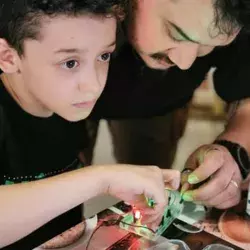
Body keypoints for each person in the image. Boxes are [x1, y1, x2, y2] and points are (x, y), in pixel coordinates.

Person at [0, 1, 181, 249]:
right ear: (7, 57)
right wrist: (101, 179)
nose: (94, 85)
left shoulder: (63, 104)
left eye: (103, 56)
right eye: (70, 63)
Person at [86, 0, 250, 210]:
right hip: (53, 105)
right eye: (176, 33)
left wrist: (233, 150)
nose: (184, 63)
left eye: (210, 44)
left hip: (160, 102)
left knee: (150, 197)